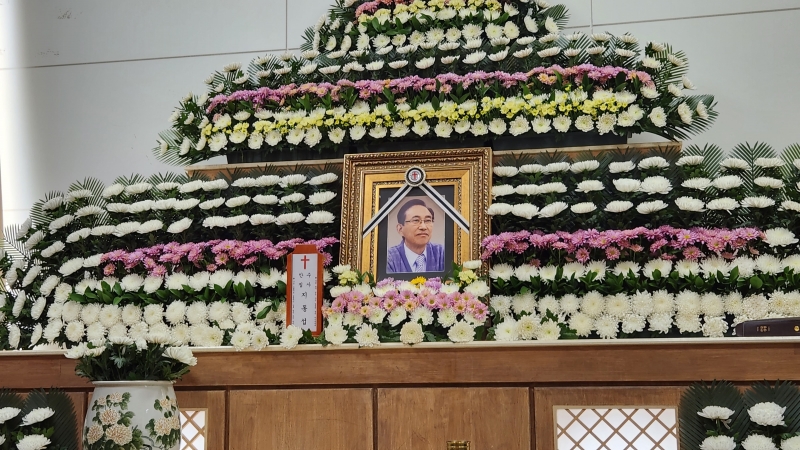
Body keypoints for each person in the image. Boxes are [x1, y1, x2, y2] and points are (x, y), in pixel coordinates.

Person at [386, 198, 445, 273]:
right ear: (400, 229)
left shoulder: (442, 253)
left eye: (428, 220)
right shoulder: (389, 258)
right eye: (416, 220)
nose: (423, 227)